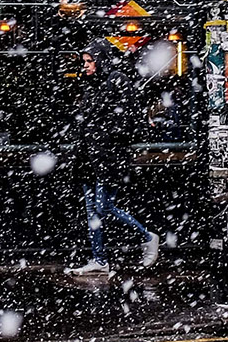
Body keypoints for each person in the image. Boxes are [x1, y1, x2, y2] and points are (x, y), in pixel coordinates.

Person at [65, 40, 159, 276]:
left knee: (102, 207)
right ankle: (99, 258)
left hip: (108, 157)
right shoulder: (93, 85)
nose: (85, 66)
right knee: (93, 211)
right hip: (91, 157)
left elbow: (128, 120)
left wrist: (102, 135)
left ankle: (147, 236)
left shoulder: (116, 82)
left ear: (100, 60)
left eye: (89, 61)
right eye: (84, 61)